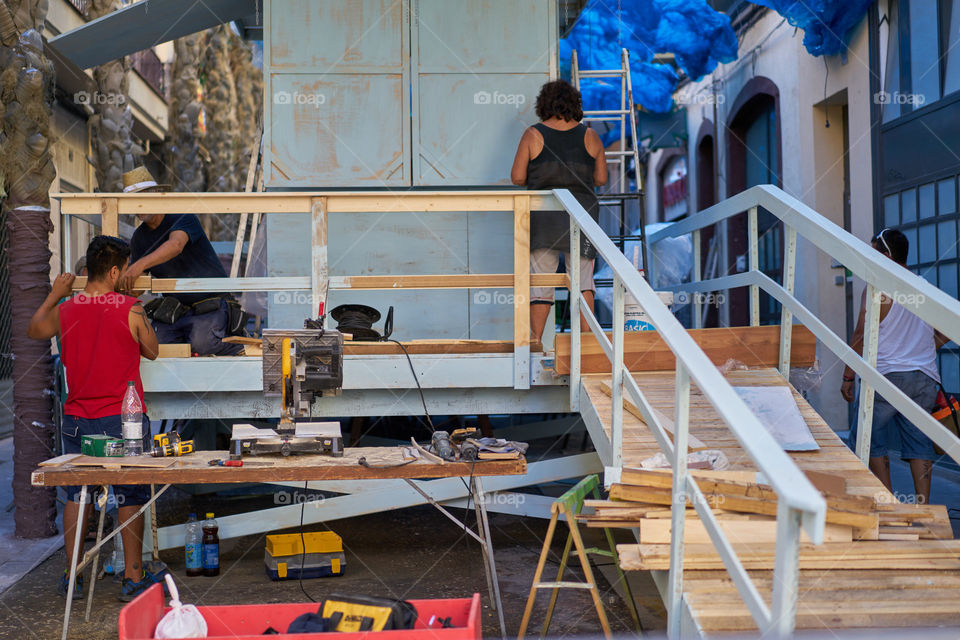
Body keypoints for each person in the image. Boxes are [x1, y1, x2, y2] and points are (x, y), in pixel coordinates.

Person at [28, 235, 163, 601]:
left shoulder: (67, 309)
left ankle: (72, 576)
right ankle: (133, 576)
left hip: (76, 418)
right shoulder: (130, 308)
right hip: (123, 420)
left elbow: (34, 329)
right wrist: (140, 311)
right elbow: (151, 351)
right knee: (129, 493)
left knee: (78, 492)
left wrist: (57, 293)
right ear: (116, 270)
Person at [844, 228, 949, 504]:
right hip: (923, 379)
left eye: (874, 250)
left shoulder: (879, 288)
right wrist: (922, 348)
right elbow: (947, 330)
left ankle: (889, 504)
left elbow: (860, 333)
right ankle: (922, 508)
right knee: (919, 444)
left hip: (887, 377)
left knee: (868, 439)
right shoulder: (924, 287)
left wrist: (847, 376)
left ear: (886, 254)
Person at [510, 79, 607, 343]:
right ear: (575, 104)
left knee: (541, 284)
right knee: (584, 282)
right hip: (583, 218)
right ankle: (588, 344)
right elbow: (600, 179)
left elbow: (517, 177)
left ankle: (535, 341)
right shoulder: (591, 136)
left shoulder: (533, 134)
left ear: (544, 104)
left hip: (544, 220)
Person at [117, 166, 243, 356]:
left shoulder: (181, 216)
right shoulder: (139, 238)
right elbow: (138, 284)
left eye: (141, 197)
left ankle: (242, 349)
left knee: (202, 345)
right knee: (154, 347)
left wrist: (138, 265)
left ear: (158, 193)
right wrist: (116, 294)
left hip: (211, 304)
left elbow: (176, 245)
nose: (137, 205)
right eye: (132, 200)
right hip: (175, 311)